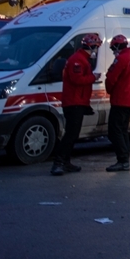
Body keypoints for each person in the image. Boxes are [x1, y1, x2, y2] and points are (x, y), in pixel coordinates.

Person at [50, 33, 101, 176]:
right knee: (71, 134)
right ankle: (59, 162)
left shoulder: (81, 59)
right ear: (90, 46)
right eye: (96, 47)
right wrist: (93, 77)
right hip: (74, 102)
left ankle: (65, 162)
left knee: (73, 134)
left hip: (77, 101)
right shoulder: (78, 61)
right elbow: (77, 80)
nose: (96, 51)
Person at [104, 34, 130, 172]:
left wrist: (109, 90)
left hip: (120, 100)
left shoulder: (120, 59)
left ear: (116, 47)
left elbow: (111, 79)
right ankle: (124, 158)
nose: (113, 52)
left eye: (113, 49)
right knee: (123, 130)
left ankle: (122, 160)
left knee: (115, 131)